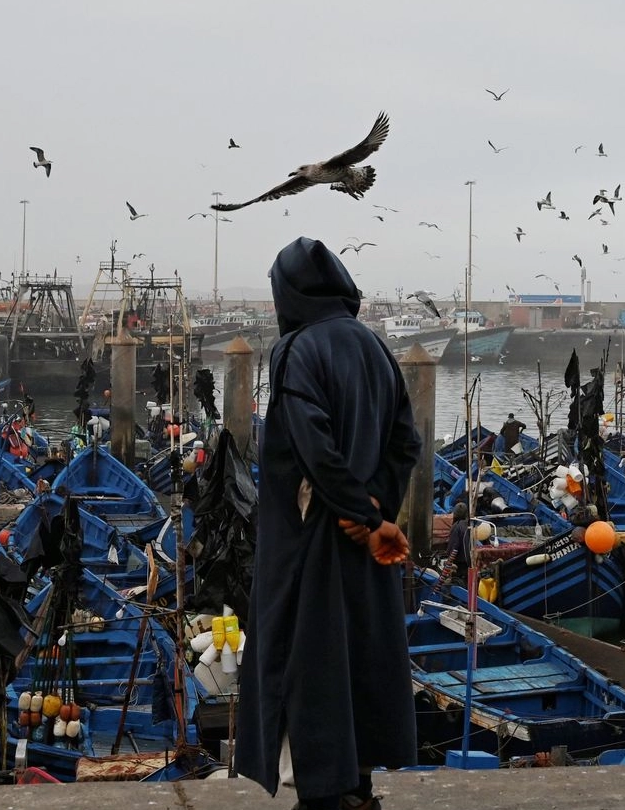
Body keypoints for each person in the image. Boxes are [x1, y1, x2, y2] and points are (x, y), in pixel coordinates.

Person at [236, 237, 422, 810]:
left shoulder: (295, 351)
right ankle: (359, 792)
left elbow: (311, 446)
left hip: (312, 541)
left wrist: (360, 516)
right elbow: (405, 441)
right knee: (361, 664)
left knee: (308, 665)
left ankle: (324, 798)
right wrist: (378, 513)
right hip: (364, 545)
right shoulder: (377, 348)